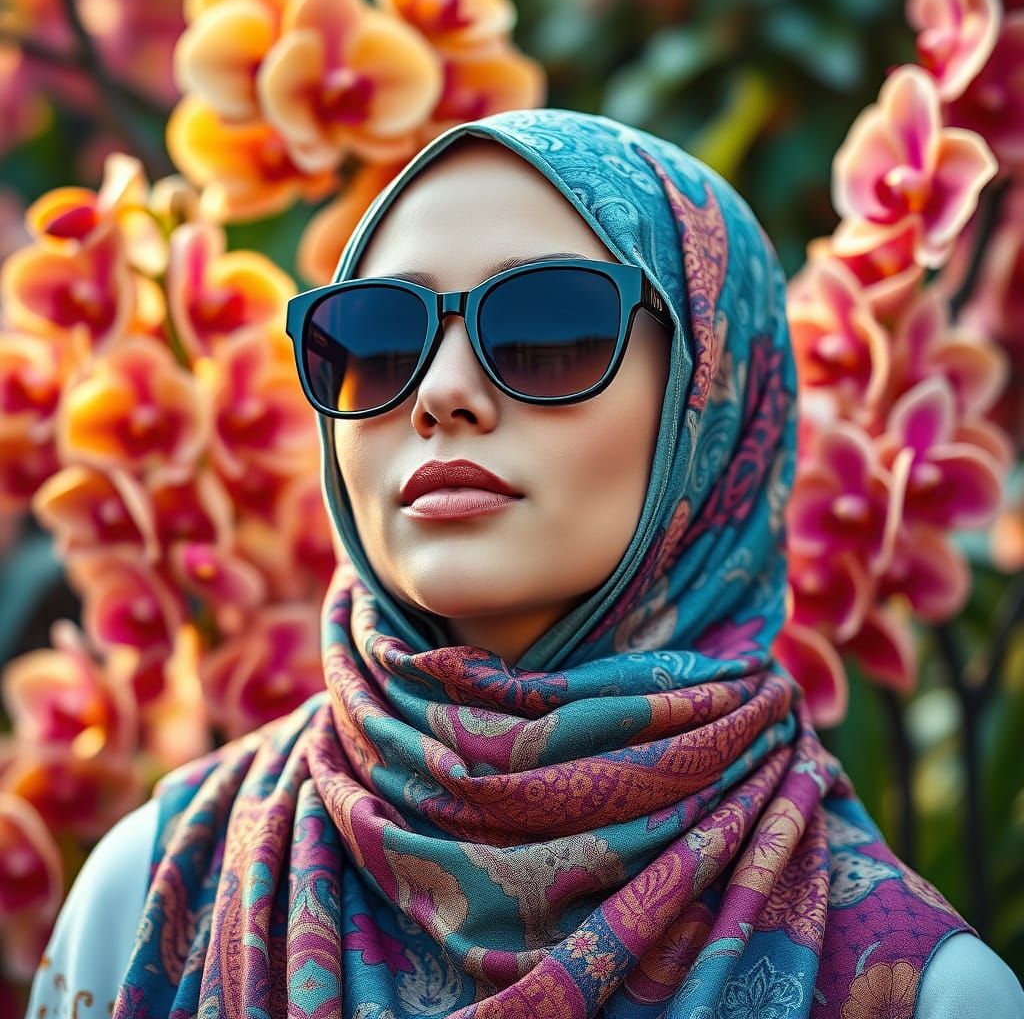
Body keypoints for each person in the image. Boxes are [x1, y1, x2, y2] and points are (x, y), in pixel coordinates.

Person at [24, 108, 1024, 1019]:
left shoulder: (920, 994)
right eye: (375, 339)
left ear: (709, 397)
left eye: (551, 328)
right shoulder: (151, 893)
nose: (441, 393)